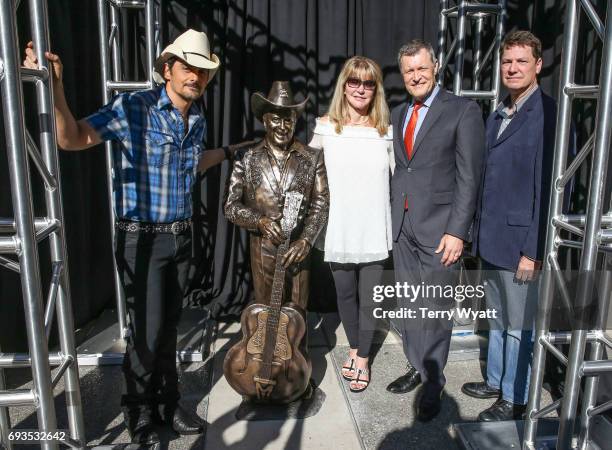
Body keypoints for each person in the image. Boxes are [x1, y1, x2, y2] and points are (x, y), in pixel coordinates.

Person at [24, 29, 231, 444]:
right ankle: (139, 415)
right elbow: (72, 137)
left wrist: (229, 152)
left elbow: (191, 166)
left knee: (169, 328)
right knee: (147, 333)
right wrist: (55, 87)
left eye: (203, 71)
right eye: (188, 67)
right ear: (167, 68)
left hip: (180, 239)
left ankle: (169, 405)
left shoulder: (198, 118)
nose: (196, 76)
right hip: (142, 240)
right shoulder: (134, 108)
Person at [463, 30, 559, 422]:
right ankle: (499, 381)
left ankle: (516, 397)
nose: (513, 68)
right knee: (499, 318)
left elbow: (552, 188)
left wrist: (534, 250)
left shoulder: (549, 114)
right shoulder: (499, 113)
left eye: (522, 61)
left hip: (522, 244)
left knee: (520, 325)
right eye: (507, 62)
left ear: (538, 65)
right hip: (492, 240)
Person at [387, 39, 485, 422]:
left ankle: (433, 380)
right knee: (410, 302)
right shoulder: (398, 113)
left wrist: (458, 231)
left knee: (436, 307)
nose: (415, 76)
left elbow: (469, 177)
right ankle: (416, 365)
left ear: (436, 66)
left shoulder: (463, 110)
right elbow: (404, 169)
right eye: (409, 71)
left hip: (441, 230)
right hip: (404, 225)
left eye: (421, 69)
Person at [308, 56, 393, 392]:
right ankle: (358, 346)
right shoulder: (325, 127)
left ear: (376, 90)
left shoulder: (385, 132)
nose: (361, 89)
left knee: (370, 297)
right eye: (354, 81)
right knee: (345, 295)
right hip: (338, 228)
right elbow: (306, 175)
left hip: (374, 227)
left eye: (368, 83)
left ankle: (360, 358)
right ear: (344, 85)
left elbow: (402, 179)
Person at [224, 80, 329, 322]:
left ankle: (297, 359)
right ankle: (269, 359)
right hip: (263, 251)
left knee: (297, 317)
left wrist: (306, 240)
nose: (282, 126)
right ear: (264, 120)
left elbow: (321, 201)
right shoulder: (247, 157)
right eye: (276, 119)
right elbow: (230, 206)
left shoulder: (312, 158)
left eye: (288, 119)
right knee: (267, 317)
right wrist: (259, 220)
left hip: (298, 249)